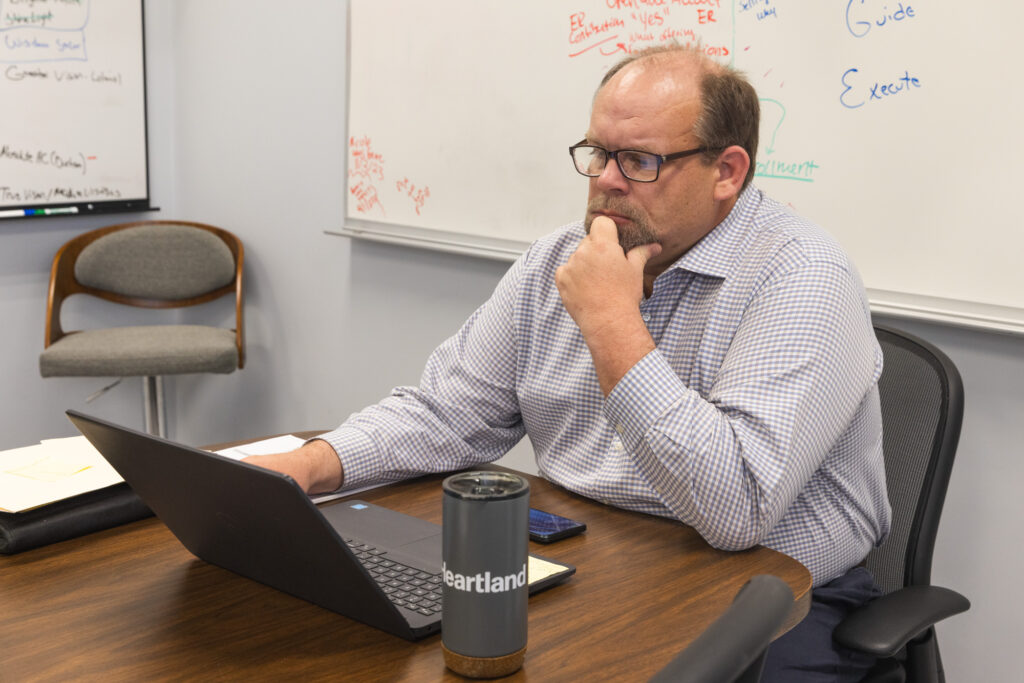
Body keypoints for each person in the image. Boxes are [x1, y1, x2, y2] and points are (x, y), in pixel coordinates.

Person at [247, 45, 890, 681]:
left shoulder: (804, 279)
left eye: (639, 161)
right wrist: (312, 464)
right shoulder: (557, 257)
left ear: (726, 171)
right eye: (597, 154)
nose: (605, 181)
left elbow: (737, 509)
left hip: (766, 592)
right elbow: (450, 413)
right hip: (589, 559)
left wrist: (613, 324)